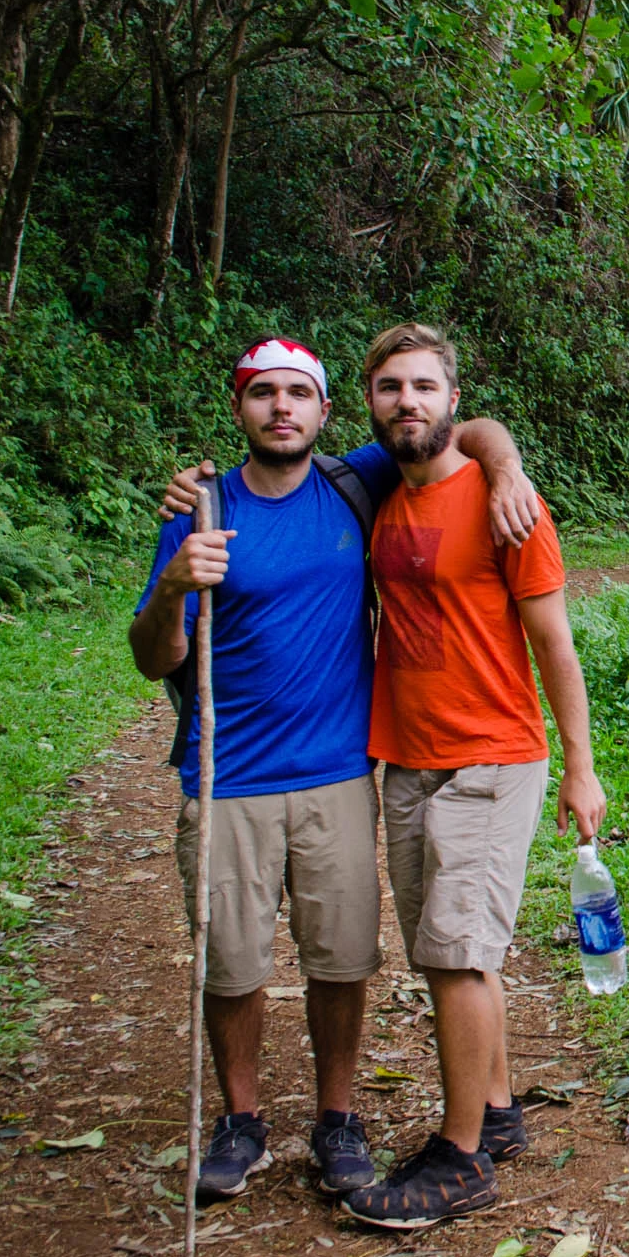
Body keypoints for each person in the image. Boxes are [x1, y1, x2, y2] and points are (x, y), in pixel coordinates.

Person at [134, 336, 538, 1204]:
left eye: (298, 395)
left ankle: (338, 1116)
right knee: (232, 965)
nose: (281, 408)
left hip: (337, 774)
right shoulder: (198, 512)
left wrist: (507, 469)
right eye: (262, 394)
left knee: (341, 961)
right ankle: (241, 1119)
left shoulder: (357, 483)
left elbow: (462, 427)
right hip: (227, 775)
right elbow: (150, 656)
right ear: (239, 408)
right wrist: (174, 585)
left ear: (323, 412)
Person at [338, 323, 606, 1231]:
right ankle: (494, 1114)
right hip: (408, 756)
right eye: (389, 387)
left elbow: (554, 642)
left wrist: (581, 766)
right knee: (443, 949)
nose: (406, 401)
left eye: (424, 386)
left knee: (458, 953)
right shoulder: (377, 488)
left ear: (453, 398)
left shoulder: (507, 506)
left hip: (493, 756)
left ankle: (459, 1163)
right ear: (369, 402)